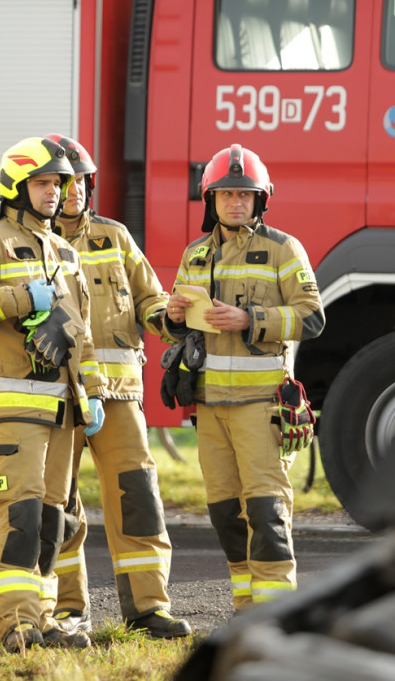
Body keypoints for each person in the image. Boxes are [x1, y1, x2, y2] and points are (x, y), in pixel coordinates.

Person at [0, 137, 107, 652]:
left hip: (62, 411)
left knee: (53, 521)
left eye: (58, 183)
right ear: (16, 187)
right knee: (20, 514)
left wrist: (94, 392)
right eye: (42, 183)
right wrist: (20, 297)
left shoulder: (62, 250)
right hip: (12, 408)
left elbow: (81, 331)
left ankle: (45, 619)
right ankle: (15, 625)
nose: (54, 192)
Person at [163, 144, 324, 612]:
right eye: (226, 193)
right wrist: (174, 316)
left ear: (261, 199)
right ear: (209, 199)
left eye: (245, 194)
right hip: (210, 406)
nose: (235, 202)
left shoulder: (282, 248)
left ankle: (275, 616)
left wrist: (251, 319)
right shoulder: (194, 254)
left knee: (267, 511)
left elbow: (311, 317)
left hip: (260, 405)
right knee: (225, 514)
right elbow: (181, 323)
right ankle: (246, 609)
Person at [45, 133, 191, 639]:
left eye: (83, 182)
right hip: (57, 397)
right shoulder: (27, 244)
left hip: (120, 395)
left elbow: (150, 302)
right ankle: (67, 611)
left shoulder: (116, 237)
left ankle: (148, 609)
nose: (76, 192)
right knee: (59, 504)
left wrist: (170, 316)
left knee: (138, 498)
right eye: (65, 183)